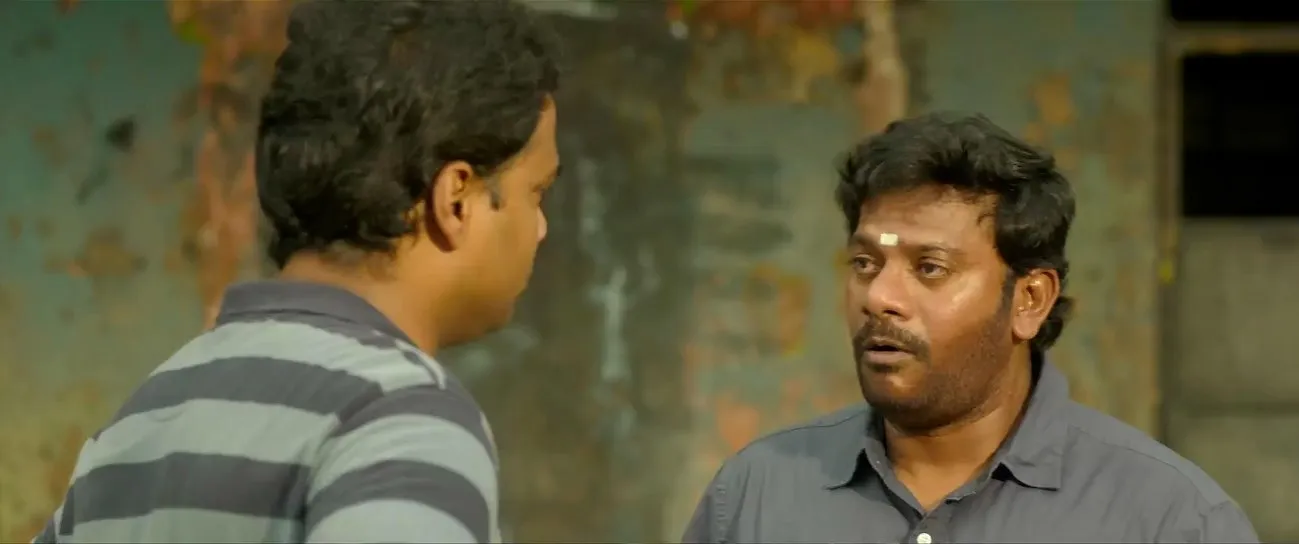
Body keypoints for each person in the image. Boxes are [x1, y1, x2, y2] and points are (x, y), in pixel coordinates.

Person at [32, 1, 560, 542]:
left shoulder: (139, 423)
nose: (541, 228)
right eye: (536, 192)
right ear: (456, 200)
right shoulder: (400, 417)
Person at [681, 112, 1258, 544]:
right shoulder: (756, 497)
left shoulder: (1169, 520)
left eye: (930, 268)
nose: (880, 297)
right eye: (865, 264)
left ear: (1029, 300)